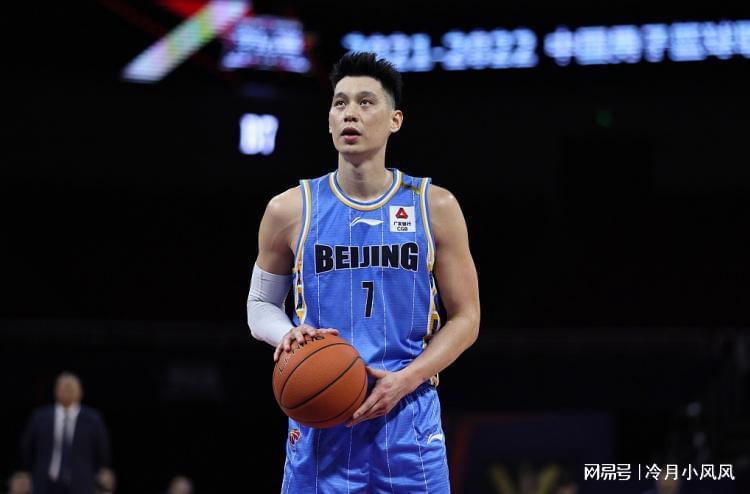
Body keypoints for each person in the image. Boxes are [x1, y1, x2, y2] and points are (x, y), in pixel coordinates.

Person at [247, 51, 480, 492]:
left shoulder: (436, 206)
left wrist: (406, 380)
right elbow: (259, 305)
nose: (350, 113)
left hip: (409, 419)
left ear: (395, 120)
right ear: (329, 120)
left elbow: (467, 318)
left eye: (365, 102)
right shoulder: (288, 209)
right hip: (321, 425)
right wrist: (288, 335)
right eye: (340, 103)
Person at [21, 372, 111, 494]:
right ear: (56, 391)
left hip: (82, 485)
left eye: (71, 388)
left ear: (80, 392)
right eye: (63, 388)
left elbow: (102, 451)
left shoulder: (93, 419)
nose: (67, 391)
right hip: (45, 484)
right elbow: (27, 448)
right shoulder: (40, 417)